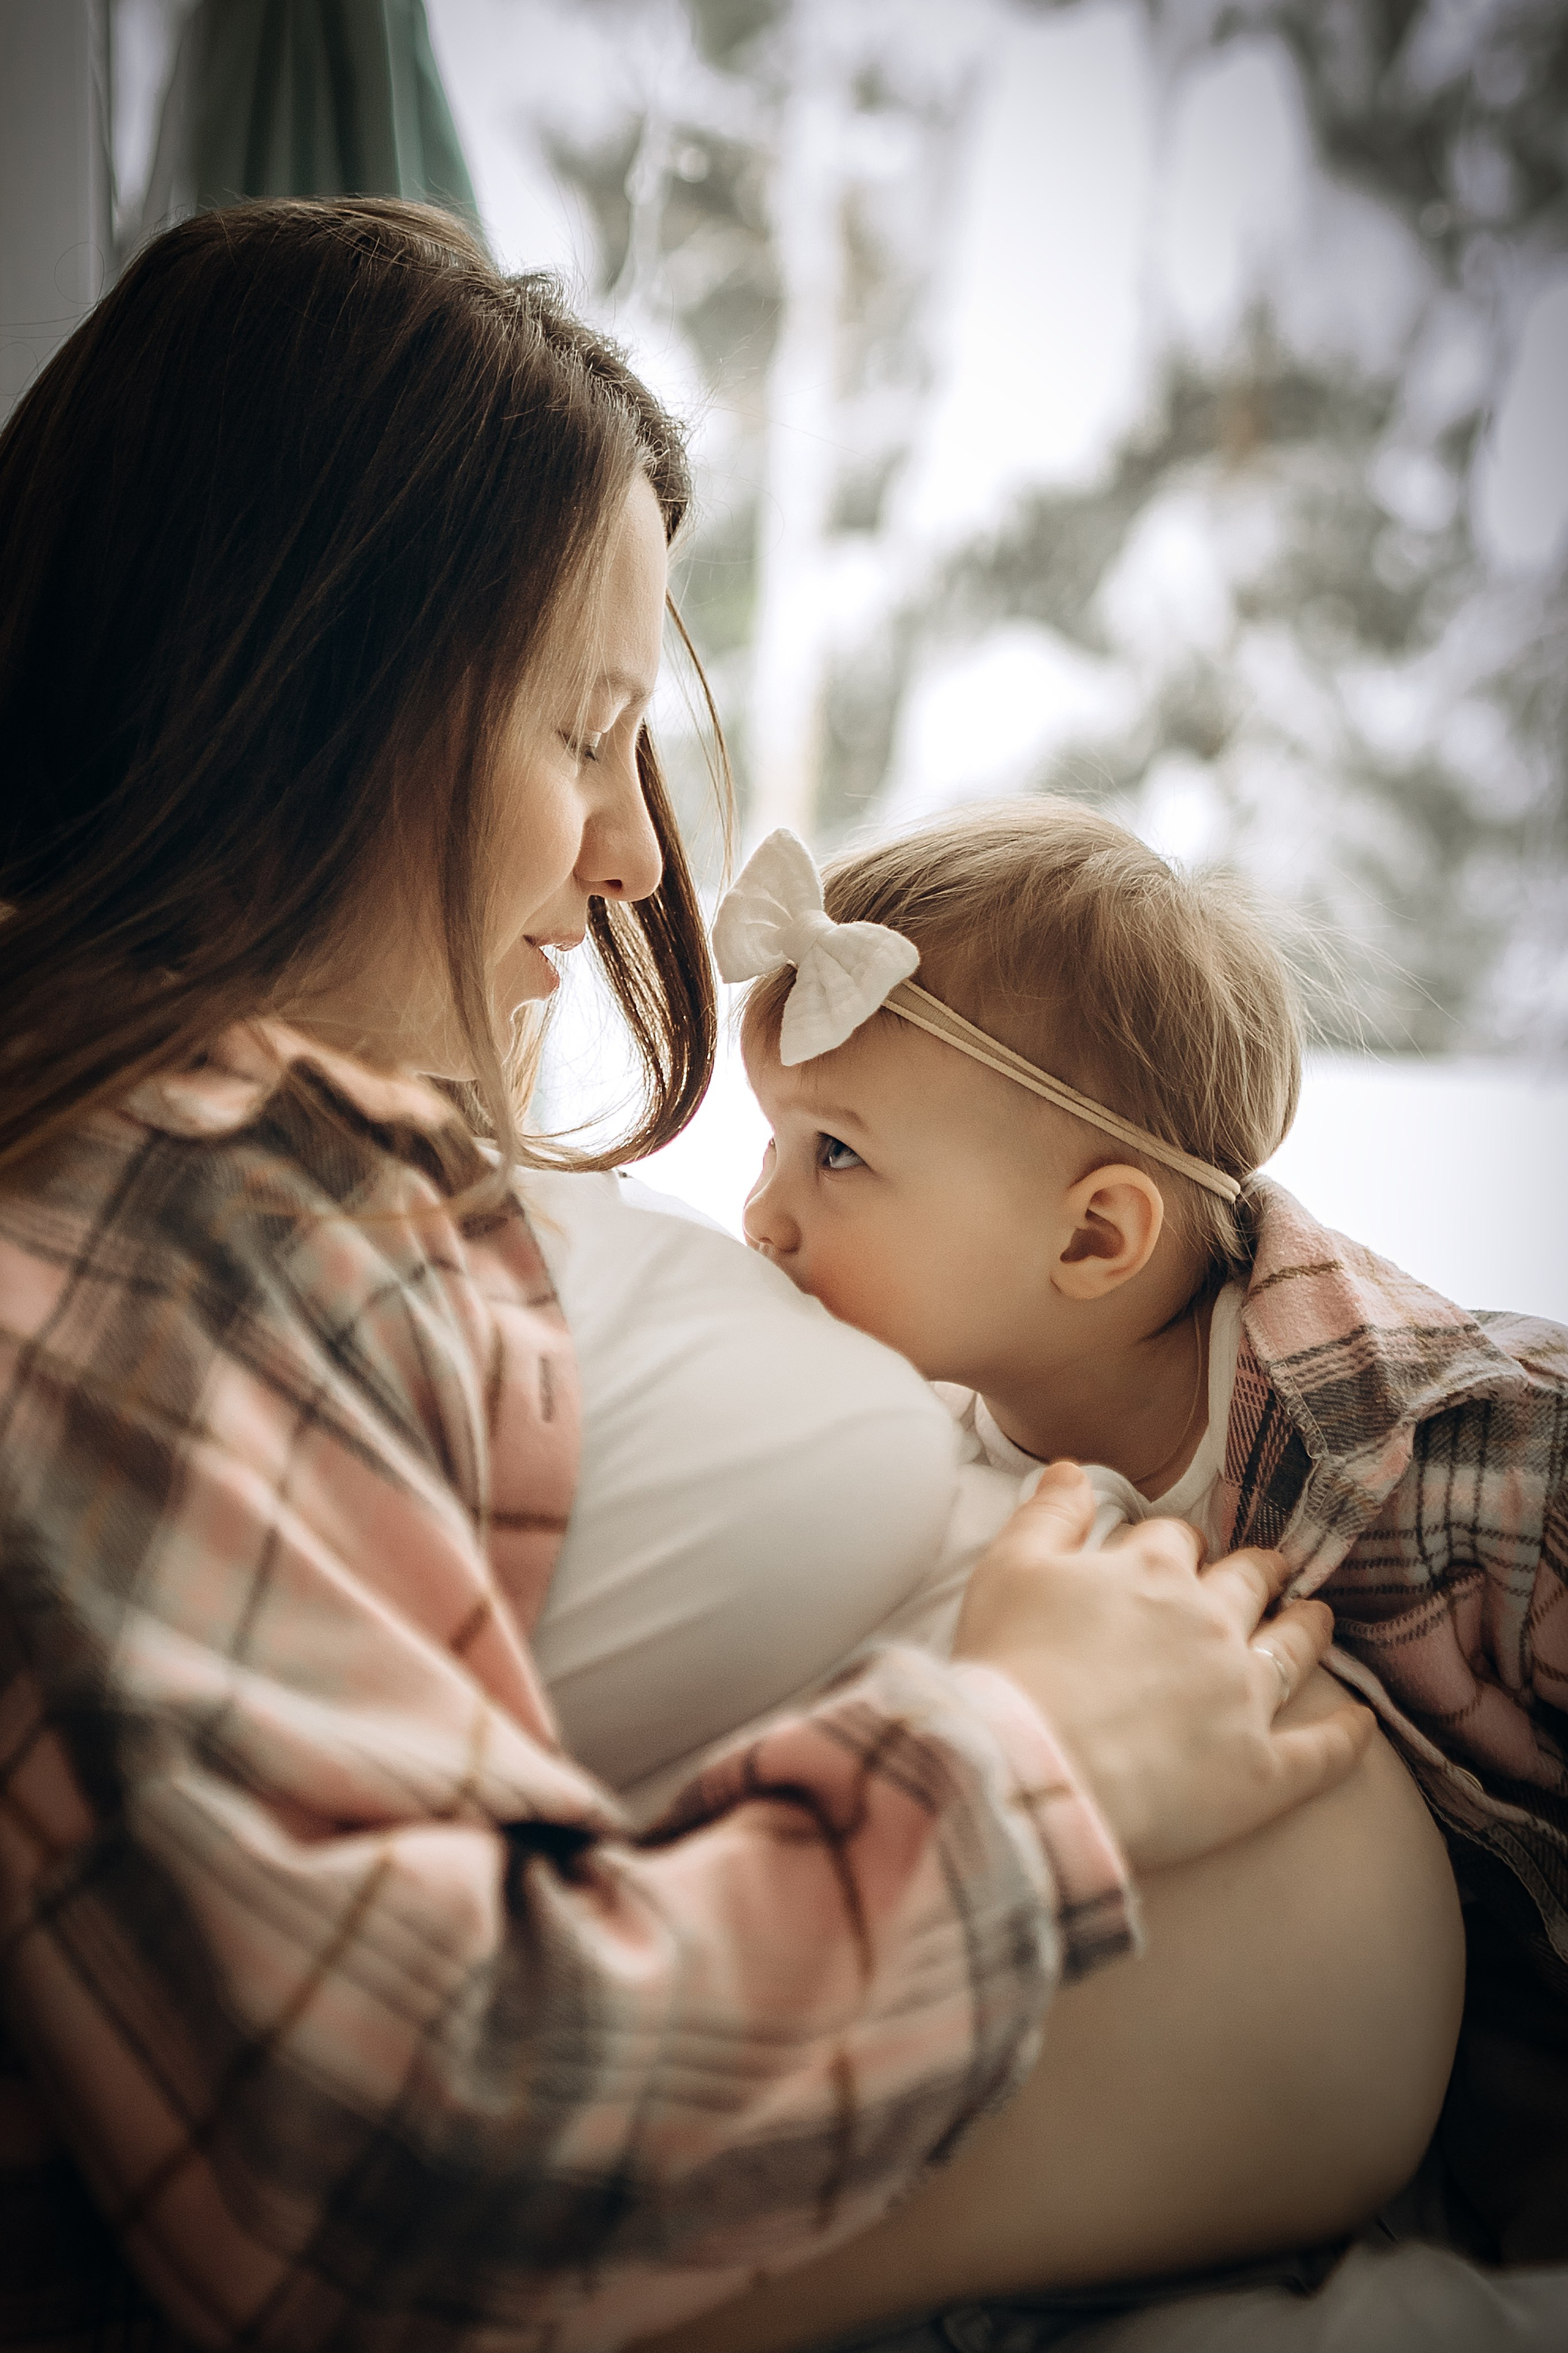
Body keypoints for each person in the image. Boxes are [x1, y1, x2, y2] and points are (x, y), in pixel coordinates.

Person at [0, 198, 1449, 2353]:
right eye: (582, 733)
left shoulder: (180, 1168)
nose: (625, 859)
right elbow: (398, 2157)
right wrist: (1036, 1753)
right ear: (309, 696)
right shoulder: (174, 1197)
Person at [706, 800, 1568, 2336]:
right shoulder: (930, 1441)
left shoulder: (1474, 1457)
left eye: (833, 1153)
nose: (760, 1215)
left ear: (1096, 1240)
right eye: (772, 1142)